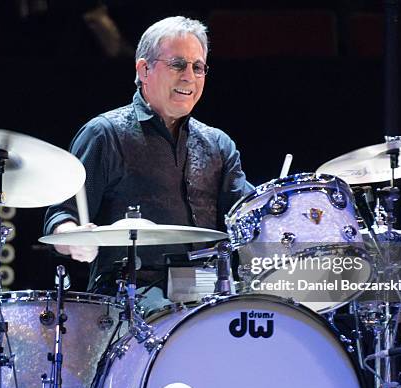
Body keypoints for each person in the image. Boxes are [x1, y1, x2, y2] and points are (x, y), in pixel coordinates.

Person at [44, 16, 252, 300]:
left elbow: (249, 215)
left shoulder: (218, 144)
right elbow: (62, 215)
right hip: (129, 301)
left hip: (208, 296)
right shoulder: (105, 134)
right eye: (178, 64)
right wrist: (73, 238)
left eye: (198, 67)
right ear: (144, 69)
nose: (189, 76)